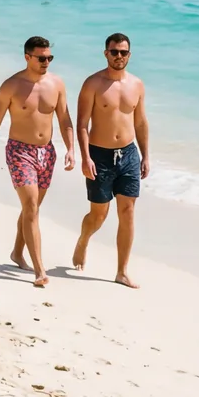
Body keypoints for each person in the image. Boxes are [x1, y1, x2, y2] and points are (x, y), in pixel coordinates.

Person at [0, 36, 75, 287]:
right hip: (19, 151)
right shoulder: (11, 86)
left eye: (49, 58)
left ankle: (17, 252)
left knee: (32, 208)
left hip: (47, 152)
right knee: (31, 206)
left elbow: (64, 119)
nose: (46, 62)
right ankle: (40, 269)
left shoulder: (57, 84)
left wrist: (71, 149)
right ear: (27, 57)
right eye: (41, 58)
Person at [73, 34, 149, 288]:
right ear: (105, 53)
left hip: (128, 154)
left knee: (127, 211)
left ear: (130, 54)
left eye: (124, 52)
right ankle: (84, 239)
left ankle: (122, 271)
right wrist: (85, 157)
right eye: (114, 52)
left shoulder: (137, 84)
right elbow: (82, 124)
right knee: (99, 215)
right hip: (99, 155)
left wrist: (146, 155)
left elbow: (140, 122)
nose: (119, 57)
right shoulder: (93, 83)